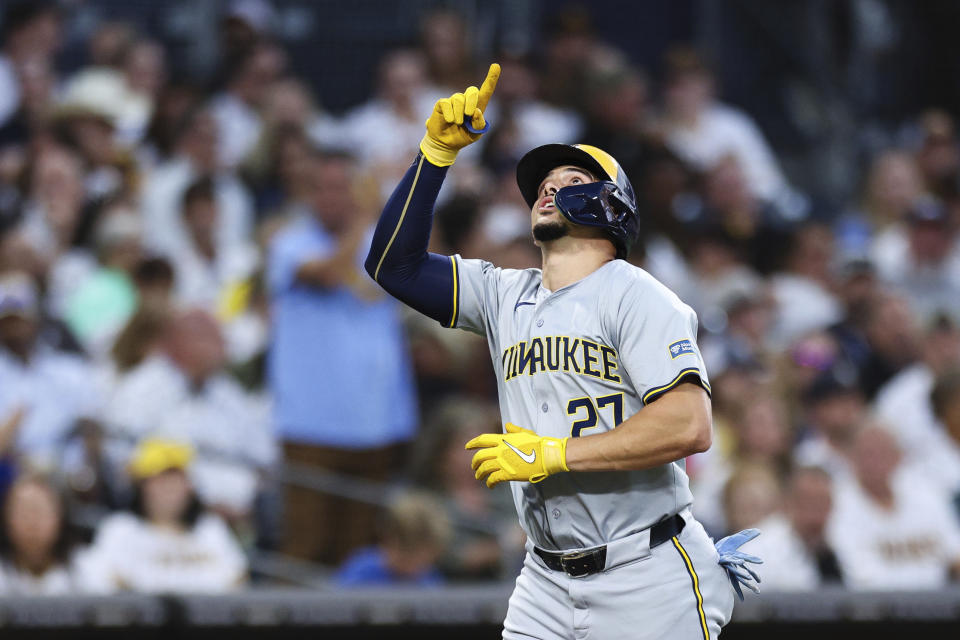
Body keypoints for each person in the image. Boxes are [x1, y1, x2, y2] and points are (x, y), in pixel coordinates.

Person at [366, 63, 759, 640]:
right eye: (542, 184)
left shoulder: (639, 294)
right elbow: (392, 266)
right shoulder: (505, 292)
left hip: (645, 571)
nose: (548, 187)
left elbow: (689, 424)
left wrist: (557, 454)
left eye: (571, 178)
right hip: (546, 577)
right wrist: (434, 155)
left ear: (612, 205)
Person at [81, 438, 248, 593]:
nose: (169, 489)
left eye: (176, 479)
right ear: (142, 486)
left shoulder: (210, 529)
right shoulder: (120, 529)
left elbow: (237, 579)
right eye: (160, 480)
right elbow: (102, 581)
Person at [335, 491, 450, 587]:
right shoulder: (360, 572)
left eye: (426, 561)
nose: (417, 568)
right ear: (390, 542)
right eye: (409, 559)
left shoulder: (431, 580)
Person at [0, 473, 81, 594]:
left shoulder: (86, 570)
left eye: (39, 512)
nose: (32, 523)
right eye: (23, 513)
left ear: (60, 518)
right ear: (6, 519)